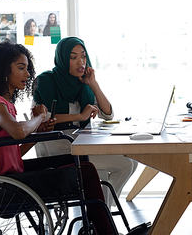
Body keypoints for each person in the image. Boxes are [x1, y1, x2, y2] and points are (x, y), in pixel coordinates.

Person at [0, 42, 141, 235]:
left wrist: (38, 130)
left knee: (83, 167)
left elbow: (15, 150)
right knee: (85, 170)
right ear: (3, 72)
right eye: (21, 68)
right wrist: (40, 118)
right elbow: (18, 132)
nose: (28, 74)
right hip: (10, 184)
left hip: (13, 176)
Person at [33, 37, 138, 209]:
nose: (80, 62)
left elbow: (108, 114)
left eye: (83, 56)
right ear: (62, 59)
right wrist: (82, 116)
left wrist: (93, 83)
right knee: (126, 165)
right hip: (60, 151)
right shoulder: (46, 81)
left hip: (82, 147)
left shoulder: (83, 83)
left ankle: (100, 219)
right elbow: (43, 119)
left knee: (131, 162)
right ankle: (102, 218)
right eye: (73, 57)